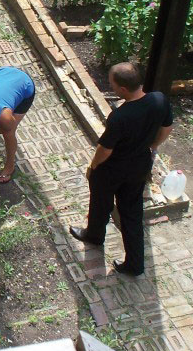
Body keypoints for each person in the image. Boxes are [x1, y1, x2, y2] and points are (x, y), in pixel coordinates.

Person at [70, 62, 172, 276]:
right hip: (139, 166)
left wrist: (93, 165)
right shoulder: (159, 100)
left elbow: (105, 149)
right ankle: (135, 264)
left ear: (123, 89)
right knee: (132, 213)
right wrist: (151, 146)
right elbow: (166, 128)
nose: (111, 87)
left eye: (112, 85)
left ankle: (95, 235)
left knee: (101, 202)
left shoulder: (120, 116)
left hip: (112, 169)